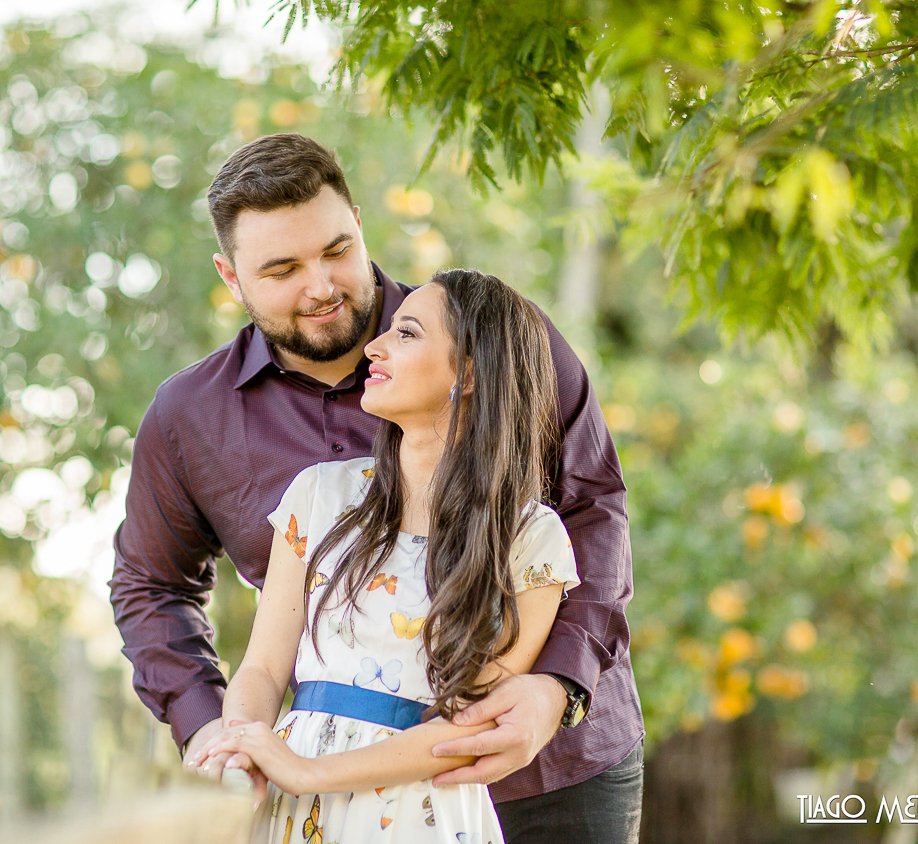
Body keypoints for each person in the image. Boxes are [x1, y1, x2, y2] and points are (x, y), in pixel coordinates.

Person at [109, 133, 644, 844]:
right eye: (283, 268)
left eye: (335, 251)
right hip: (331, 807)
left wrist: (555, 686)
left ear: (359, 225)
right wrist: (226, 740)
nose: (322, 286)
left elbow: (593, 511)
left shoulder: (499, 339)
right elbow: (151, 588)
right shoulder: (189, 419)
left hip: (555, 772)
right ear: (231, 277)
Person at [191, 268, 580, 844]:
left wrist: (310, 772)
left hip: (421, 815)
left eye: (407, 334)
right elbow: (265, 668)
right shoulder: (318, 496)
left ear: (470, 372)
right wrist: (243, 746)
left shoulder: (529, 538)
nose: (373, 346)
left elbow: (468, 726)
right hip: (294, 813)